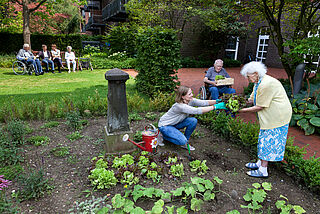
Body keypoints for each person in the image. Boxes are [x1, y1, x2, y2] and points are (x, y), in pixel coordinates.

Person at [238, 61, 292, 178]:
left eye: (248, 76)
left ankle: (263, 170)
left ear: (256, 73)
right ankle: (259, 163)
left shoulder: (266, 84)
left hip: (278, 116)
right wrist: (239, 103)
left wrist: (240, 111)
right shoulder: (258, 82)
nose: (248, 79)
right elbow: (251, 100)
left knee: (268, 141)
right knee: (263, 139)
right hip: (270, 115)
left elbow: (259, 107)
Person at [158, 85, 227, 151]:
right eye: (189, 94)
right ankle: (162, 135)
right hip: (165, 125)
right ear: (183, 96)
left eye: (191, 93)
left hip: (175, 123)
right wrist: (215, 107)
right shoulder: (180, 106)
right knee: (182, 141)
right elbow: (197, 110)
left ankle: (185, 143)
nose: (192, 95)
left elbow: (203, 102)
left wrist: (217, 101)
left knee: (193, 121)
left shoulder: (190, 101)